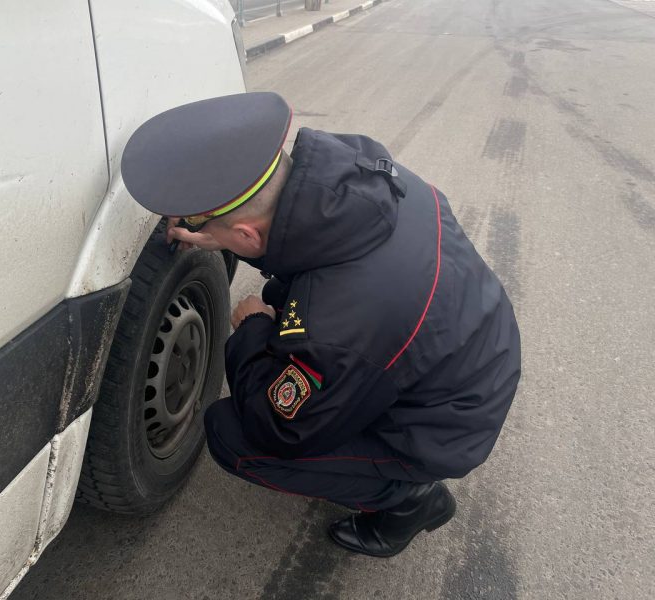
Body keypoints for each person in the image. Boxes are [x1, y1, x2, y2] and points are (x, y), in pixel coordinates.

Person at [121, 92, 521, 558]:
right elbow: (293, 255)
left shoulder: (339, 329)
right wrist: (217, 237)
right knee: (283, 314)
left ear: (247, 235)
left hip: (445, 424)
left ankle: (409, 499)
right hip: (470, 342)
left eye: (208, 229)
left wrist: (249, 330)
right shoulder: (352, 174)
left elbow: (279, 429)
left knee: (235, 435)